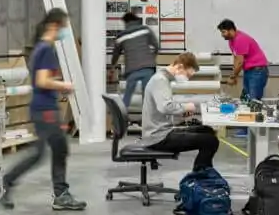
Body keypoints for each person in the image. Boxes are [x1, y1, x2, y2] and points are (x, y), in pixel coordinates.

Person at [1, 7, 86, 212]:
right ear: (54, 26)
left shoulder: (40, 47)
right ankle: (56, 194)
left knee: (54, 150)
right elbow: (42, 81)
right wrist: (63, 85)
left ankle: (12, 182)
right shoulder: (46, 49)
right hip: (46, 110)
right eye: (64, 28)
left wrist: (56, 84)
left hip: (43, 107)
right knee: (50, 151)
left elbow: (43, 79)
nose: (64, 33)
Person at [142, 52, 220, 203]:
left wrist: (181, 114)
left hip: (162, 130)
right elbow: (165, 107)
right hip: (158, 137)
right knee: (210, 141)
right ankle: (197, 182)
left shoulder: (163, 79)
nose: (187, 78)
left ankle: (202, 177)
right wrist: (186, 106)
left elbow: (163, 110)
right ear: (180, 67)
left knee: (207, 131)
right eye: (188, 75)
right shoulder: (160, 80)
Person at [110, 12, 160, 114]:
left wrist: (112, 67)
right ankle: (147, 120)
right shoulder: (145, 29)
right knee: (147, 97)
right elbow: (156, 46)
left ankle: (120, 118)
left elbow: (115, 54)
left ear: (126, 22)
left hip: (132, 70)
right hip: (148, 68)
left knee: (127, 97)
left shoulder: (121, 36)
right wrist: (152, 58)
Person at [217, 19, 269, 102]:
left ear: (231, 30)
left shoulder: (240, 39)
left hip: (257, 71)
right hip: (249, 71)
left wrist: (232, 77)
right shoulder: (231, 41)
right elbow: (236, 59)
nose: (222, 35)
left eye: (223, 32)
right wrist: (234, 76)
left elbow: (240, 62)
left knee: (253, 101)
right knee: (245, 100)